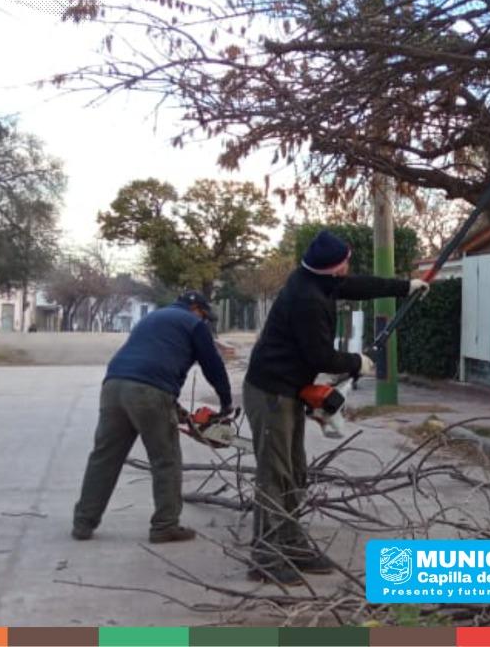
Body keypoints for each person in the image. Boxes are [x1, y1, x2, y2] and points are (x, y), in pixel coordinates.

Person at [244, 230, 428, 583]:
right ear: (332, 268)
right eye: (345, 261)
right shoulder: (307, 299)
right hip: (271, 392)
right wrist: (357, 361)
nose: (348, 266)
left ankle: (292, 544)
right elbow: (320, 356)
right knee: (274, 474)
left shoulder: (316, 279)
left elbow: (357, 286)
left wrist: (405, 286)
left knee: (294, 471)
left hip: (289, 389)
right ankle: (266, 557)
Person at [71, 290, 233, 543]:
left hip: (114, 385)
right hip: (149, 391)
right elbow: (213, 365)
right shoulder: (194, 324)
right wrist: (226, 402)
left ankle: (83, 522)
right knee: (166, 459)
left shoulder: (153, 318)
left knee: (104, 457)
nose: (205, 321)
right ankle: (165, 525)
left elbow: (150, 362)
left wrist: (174, 408)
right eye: (204, 315)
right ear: (198, 310)